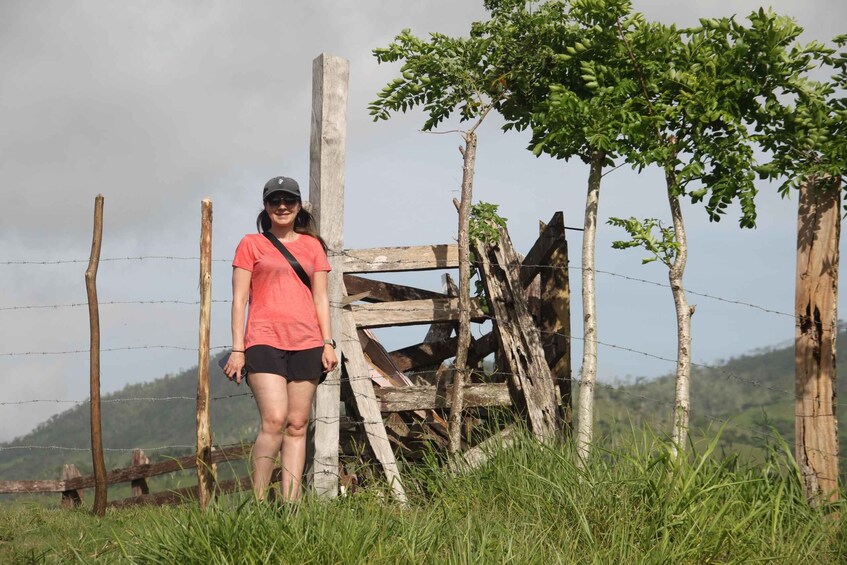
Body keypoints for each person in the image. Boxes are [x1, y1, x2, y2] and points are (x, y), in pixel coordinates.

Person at [222, 175, 338, 502]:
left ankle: (291, 507)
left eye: (288, 200)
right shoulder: (251, 244)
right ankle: (258, 503)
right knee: (273, 420)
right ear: (266, 206)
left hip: (307, 342)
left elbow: (320, 299)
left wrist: (327, 342)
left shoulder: (313, 246)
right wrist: (237, 349)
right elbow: (239, 299)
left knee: (297, 424)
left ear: (299, 206)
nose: (282, 206)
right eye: (275, 201)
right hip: (264, 339)